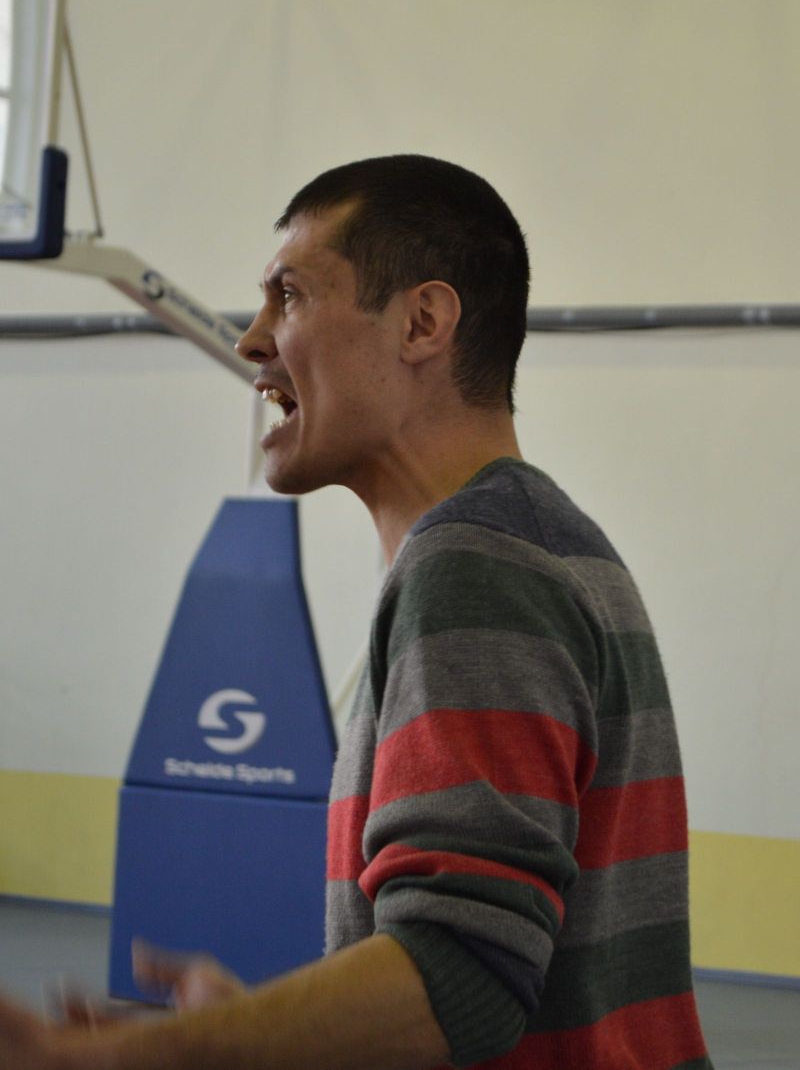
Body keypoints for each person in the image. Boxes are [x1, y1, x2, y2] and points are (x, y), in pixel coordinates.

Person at [0, 155, 713, 1069]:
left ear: (422, 322)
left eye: (289, 296)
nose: (252, 339)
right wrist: (263, 1027)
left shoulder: (476, 565)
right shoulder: (540, 542)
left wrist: (142, 1057)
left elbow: (463, 974)